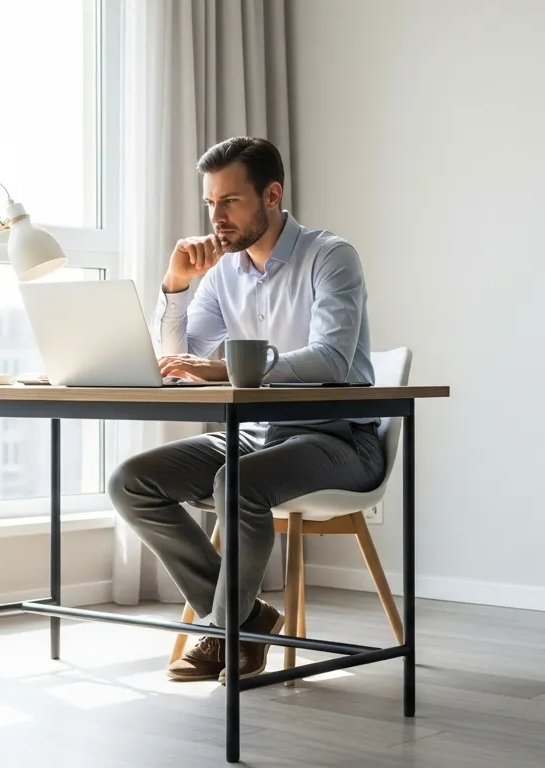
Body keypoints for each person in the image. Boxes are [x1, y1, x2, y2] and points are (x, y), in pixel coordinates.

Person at [107, 136, 384, 684]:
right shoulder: (224, 273)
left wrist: (229, 370)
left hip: (340, 439)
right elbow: (173, 356)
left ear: (272, 195)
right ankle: (244, 619)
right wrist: (176, 286)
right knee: (130, 482)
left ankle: (224, 634)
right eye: (211, 204)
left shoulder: (330, 257)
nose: (217, 218)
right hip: (255, 434)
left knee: (237, 483)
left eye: (230, 202)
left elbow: (331, 356)